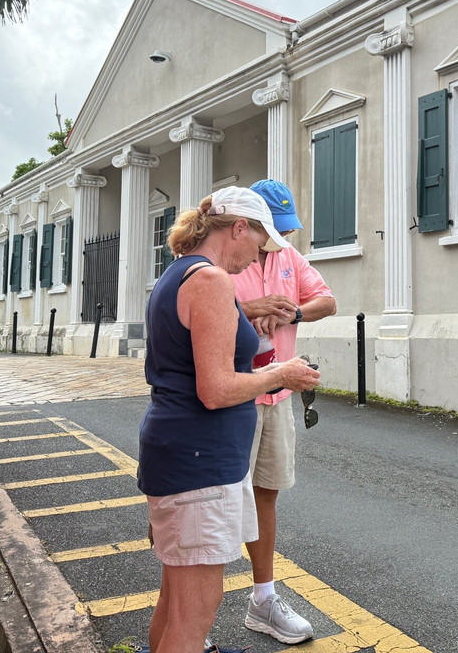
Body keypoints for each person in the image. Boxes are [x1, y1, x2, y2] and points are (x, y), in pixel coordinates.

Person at [136, 187, 321, 653]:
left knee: (175, 603)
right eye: (258, 244)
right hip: (201, 461)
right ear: (239, 228)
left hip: (179, 451)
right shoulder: (212, 280)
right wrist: (281, 374)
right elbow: (215, 389)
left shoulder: (179, 272)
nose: (258, 258)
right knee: (196, 612)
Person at [231, 179, 336, 644]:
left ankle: (263, 598)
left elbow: (327, 300)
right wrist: (250, 307)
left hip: (277, 393)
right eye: (278, 227)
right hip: (233, 395)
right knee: (217, 500)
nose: (286, 235)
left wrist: (293, 314)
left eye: (288, 227)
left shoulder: (289, 257)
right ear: (250, 224)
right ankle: (190, 610)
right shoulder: (224, 256)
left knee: (265, 493)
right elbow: (193, 306)